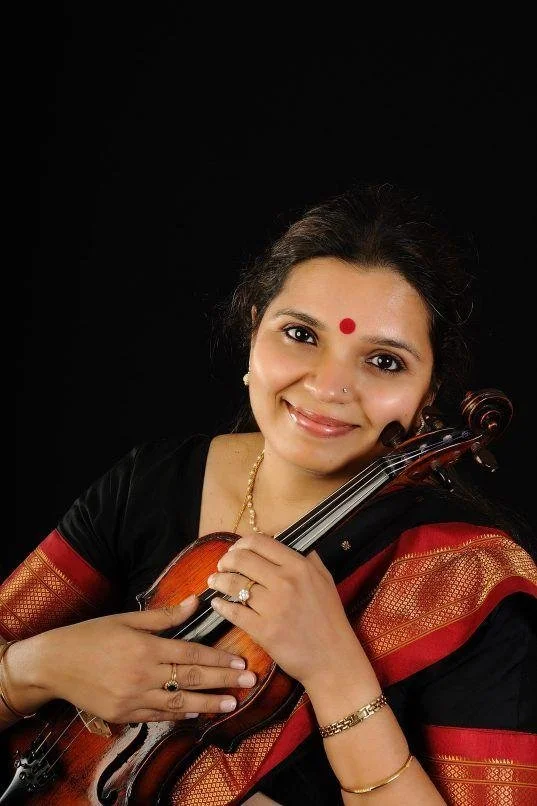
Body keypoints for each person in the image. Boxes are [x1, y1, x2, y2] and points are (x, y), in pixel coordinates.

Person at [2, 182, 536, 805]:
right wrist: (37, 668)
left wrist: (336, 672)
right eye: (302, 335)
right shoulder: (151, 482)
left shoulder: (466, 578)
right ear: (255, 331)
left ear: (429, 392)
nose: (329, 386)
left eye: (384, 361)